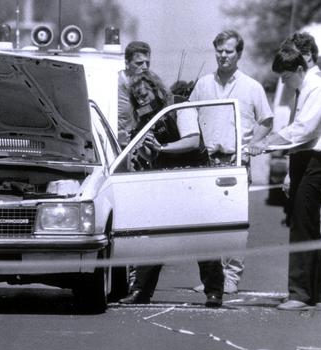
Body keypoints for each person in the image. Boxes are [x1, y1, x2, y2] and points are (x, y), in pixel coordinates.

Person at [119, 70, 222, 308]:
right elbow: (150, 155)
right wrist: (146, 148)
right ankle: (141, 291)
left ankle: (214, 291)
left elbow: (192, 140)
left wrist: (162, 147)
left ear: (156, 89)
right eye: (137, 98)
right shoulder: (146, 118)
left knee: (203, 236)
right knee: (156, 236)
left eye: (144, 94)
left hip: (193, 176)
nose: (142, 100)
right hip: (166, 180)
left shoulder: (179, 107)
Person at [248, 46, 321, 310]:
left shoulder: (317, 88)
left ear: (300, 69)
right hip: (304, 160)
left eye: (286, 77)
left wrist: (265, 142)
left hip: (314, 161)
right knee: (306, 226)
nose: (284, 83)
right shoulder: (306, 88)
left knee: (301, 226)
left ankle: (300, 294)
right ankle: (315, 293)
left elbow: (303, 129)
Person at [189, 30, 274, 294]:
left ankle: (232, 277)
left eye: (229, 51)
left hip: (236, 163)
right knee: (207, 222)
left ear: (239, 54)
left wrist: (251, 146)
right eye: (220, 51)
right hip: (207, 162)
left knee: (234, 222)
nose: (223, 56)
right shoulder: (202, 85)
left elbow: (266, 121)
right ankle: (211, 278)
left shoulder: (252, 87)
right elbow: (188, 116)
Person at [117, 41, 152, 148]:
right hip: (114, 145)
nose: (145, 67)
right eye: (139, 63)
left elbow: (144, 113)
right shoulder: (114, 82)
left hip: (135, 146)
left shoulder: (145, 84)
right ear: (127, 63)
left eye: (147, 62)